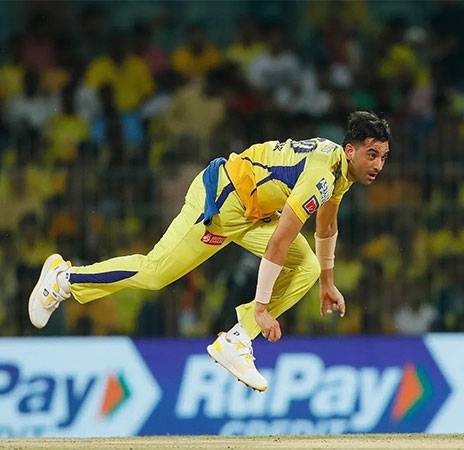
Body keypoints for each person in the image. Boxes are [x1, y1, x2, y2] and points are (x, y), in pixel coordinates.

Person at [28, 111, 391, 391]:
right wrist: (262, 308)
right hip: (221, 202)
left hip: (253, 212)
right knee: (155, 274)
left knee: (308, 268)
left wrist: (327, 282)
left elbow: (326, 226)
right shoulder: (322, 175)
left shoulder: (337, 169)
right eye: (372, 155)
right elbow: (280, 242)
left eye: (383, 157)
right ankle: (64, 279)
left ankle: (237, 339)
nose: (378, 165)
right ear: (351, 150)